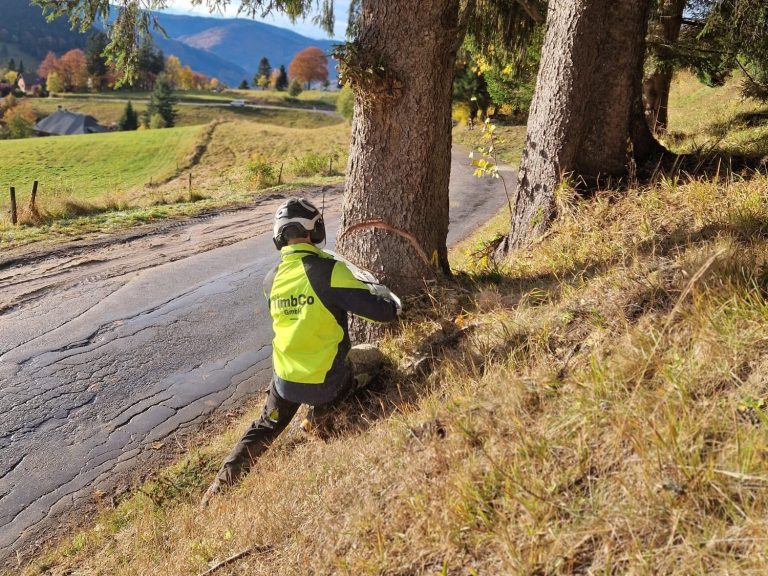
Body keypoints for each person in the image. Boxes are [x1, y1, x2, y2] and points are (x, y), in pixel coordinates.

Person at [201, 197, 401, 506]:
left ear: (278, 236)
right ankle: (321, 415)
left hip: (285, 381)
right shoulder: (330, 270)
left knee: (264, 427)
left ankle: (217, 491)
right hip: (328, 382)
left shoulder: (271, 280)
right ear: (316, 230)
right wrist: (383, 295)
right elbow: (383, 313)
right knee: (372, 354)